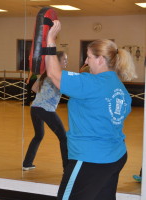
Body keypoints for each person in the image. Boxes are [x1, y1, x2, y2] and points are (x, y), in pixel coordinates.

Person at [45, 21, 137, 200]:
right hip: (115, 156)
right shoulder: (121, 89)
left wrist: (50, 41)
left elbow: (53, 74)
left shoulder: (91, 83)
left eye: (89, 57)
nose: (86, 61)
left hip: (90, 159)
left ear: (101, 59)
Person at [23, 51, 68, 171]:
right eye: (64, 59)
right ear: (57, 61)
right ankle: (67, 168)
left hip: (35, 108)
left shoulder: (45, 72)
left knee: (38, 136)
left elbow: (33, 88)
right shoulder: (59, 74)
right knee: (64, 138)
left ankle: (27, 163)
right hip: (46, 110)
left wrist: (44, 94)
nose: (66, 62)